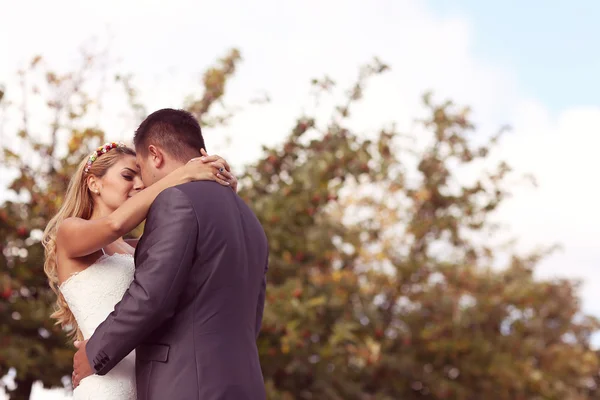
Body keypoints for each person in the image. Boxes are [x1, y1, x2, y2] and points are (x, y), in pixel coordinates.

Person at [71, 109, 269, 400]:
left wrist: (94, 353)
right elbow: (254, 312)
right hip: (244, 384)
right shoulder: (248, 217)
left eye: (140, 168)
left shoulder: (176, 200)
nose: (142, 184)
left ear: (155, 155)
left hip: (187, 385)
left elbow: (151, 296)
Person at [43, 137, 238, 400]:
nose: (139, 185)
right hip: (106, 386)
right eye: (127, 176)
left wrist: (222, 189)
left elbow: (193, 245)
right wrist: (184, 173)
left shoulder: (137, 247)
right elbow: (114, 225)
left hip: (152, 385)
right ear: (94, 183)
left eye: (141, 179)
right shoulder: (70, 231)